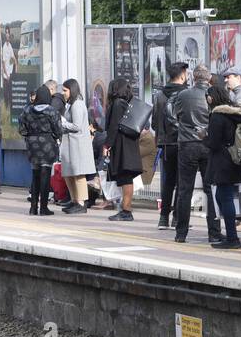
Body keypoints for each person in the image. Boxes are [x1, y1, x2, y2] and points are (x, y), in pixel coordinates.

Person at [171, 65, 221, 243]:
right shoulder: (214, 95)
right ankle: (214, 233)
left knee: (185, 189)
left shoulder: (183, 95)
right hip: (209, 145)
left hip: (187, 144)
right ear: (209, 79)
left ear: (193, 78)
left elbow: (173, 115)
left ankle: (181, 233)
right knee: (211, 189)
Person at [204, 81, 241, 249]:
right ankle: (231, 234)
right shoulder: (238, 114)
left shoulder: (217, 116)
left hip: (223, 161)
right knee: (222, 197)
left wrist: (204, 137)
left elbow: (214, 143)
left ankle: (232, 238)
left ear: (211, 98)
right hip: (236, 159)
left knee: (225, 197)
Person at [152, 62, 189, 230]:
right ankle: (177, 218)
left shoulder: (160, 95)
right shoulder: (186, 94)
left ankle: (163, 218)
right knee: (182, 182)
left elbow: (154, 122)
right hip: (183, 142)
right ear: (182, 75)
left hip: (166, 144)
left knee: (168, 182)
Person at [102, 78, 144, 222]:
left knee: (125, 178)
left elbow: (114, 127)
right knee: (125, 178)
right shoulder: (127, 103)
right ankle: (125, 209)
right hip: (128, 145)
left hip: (122, 146)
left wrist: (107, 145)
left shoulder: (118, 104)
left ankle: (126, 210)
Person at [21, 84, 64, 216]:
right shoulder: (52, 111)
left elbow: (22, 129)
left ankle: (33, 207)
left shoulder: (27, 110)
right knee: (45, 175)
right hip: (47, 145)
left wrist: (30, 136)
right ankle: (43, 208)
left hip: (33, 146)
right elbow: (58, 130)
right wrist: (55, 136)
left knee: (35, 175)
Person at [57, 79, 95, 214]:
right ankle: (74, 200)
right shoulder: (71, 104)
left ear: (72, 90)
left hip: (77, 145)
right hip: (70, 145)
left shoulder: (77, 104)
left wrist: (63, 122)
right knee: (69, 174)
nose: (63, 93)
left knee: (78, 174)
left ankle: (81, 202)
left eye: (65, 90)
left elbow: (77, 126)